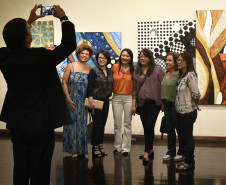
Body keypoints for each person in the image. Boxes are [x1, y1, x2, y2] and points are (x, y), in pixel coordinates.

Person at [0, 4, 76, 185]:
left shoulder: (3, 56)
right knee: (39, 169)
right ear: (28, 37)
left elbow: (14, 43)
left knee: (20, 167)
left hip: (17, 122)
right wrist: (63, 18)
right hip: (41, 123)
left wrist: (28, 23)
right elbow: (69, 45)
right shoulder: (41, 56)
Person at [131, 48, 164, 163]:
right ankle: (150, 150)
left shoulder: (157, 69)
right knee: (147, 127)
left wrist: (163, 103)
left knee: (149, 125)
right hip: (141, 103)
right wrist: (133, 105)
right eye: (141, 56)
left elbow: (163, 85)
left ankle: (146, 153)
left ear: (150, 58)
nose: (143, 58)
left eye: (145, 56)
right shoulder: (137, 71)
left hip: (154, 103)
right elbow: (134, 90)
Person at [62, 43, 94, 158]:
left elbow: (91, 88)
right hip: (71, 100)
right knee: (71, 125)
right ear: (78, 54)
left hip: (83, 103)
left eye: (87, 54)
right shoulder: (71, 66)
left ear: (89, 56)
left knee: (81, 125)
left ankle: (81, 149)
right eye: (82, 53)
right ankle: (72, 149)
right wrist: (68, 99)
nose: (84, 55)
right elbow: (64, 82)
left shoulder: (90, 69)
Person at [175, 52, 201, 171]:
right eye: (178, 60)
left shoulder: (190, 75)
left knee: (188, 137)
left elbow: (196, 93)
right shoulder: (182, 75)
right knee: (185, 137)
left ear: (188, 62)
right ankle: (188, 160)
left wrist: (195, 103)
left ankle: (189, 163)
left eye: (182, 60)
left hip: (188, 112)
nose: (178, 62)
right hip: (181, 111)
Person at [87, 50, 113, 157]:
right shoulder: (94, 71)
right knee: (97, 124)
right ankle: (95, 146)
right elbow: (90, 86)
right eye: (99, 58)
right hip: (95, 101)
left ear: (107, 59)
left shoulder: (110, 71)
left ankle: (101, 144)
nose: (101, 60)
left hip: (106, 100)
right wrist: (90, 99)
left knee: (102, 124)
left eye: (103, 58)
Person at [161, 52, 186, 161]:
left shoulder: (179, 74)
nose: (167, 62)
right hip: (166, 104)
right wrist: (162, 103)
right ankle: (171, 152)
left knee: (179, 130)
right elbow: (163, 89)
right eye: (166, 60)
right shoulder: (165, 73)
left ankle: (181, 152)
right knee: (170, 130)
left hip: (176, 105)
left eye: (170, 60)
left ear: (175, 62)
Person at [111, 48, 134, 157]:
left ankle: (125, 148)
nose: (124, 58)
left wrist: (135, 102)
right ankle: (117, 147)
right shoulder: (115, 67)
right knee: (117, 124)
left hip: (129, 98)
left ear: (130, 58)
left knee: (127, 123)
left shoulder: (134, 69)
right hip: (116, 98)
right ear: (120, 56)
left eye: (127, 56)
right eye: (123, 55)